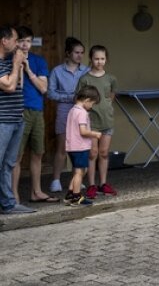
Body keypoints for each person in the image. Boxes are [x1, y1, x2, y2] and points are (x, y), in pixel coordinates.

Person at [14, 27, 55, 203]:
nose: (25, 44)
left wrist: (28, 70)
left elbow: (44, 88)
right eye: (22, 40)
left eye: (28, 41)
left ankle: (36, 192)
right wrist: (17, 65)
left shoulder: (38, 61)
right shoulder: (9, 59)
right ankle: (13, 197)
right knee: (16, 156)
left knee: (38, 153)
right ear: (15, 42)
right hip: (17, 111)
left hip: (37, 111)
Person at [0, 24, 35, 215]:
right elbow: (9, 86)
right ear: (4, 41)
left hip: (16, 118)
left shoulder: (9, 60)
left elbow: (19, 84)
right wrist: (15, 65)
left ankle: (8, 204)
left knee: (8, 163)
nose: (19, 44)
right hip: (2, 120)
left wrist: (20, 65)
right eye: (15, 40)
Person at [47, 38, 88, 194]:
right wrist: (70, 97)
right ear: (68, 53)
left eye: (82, 53)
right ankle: (56, 180)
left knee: (80, 146)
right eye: (76, 53)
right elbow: (50, 93)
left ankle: (77, 178)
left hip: (82, 112)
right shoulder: (57, 71)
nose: (79, 56)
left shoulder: (85, 71)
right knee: (62, 147)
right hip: (64, 110)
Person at [76, 45, 118, 198]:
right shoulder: (85, 79)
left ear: (106, 59)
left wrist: (106, 108)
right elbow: (79, 99)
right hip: (91, 122)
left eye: (102, 59)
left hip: (107, 121)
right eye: (96, 58)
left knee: (104, 153)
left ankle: (103, 184)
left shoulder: (111, 78)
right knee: (92, 153)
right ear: (91, 59)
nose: (99, 62)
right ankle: (92, 185)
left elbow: (111, 96)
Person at [64, 86, 101, 207]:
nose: (92, 106)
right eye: (92, 104)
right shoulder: (82, 113)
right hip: (80, 146)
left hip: (71, 146)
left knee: (78, 171)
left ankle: (70, 194)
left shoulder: (72, 110)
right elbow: (83, 131)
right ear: (87, 100)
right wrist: (94, 134)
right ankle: (76, 196)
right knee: (80, 172)